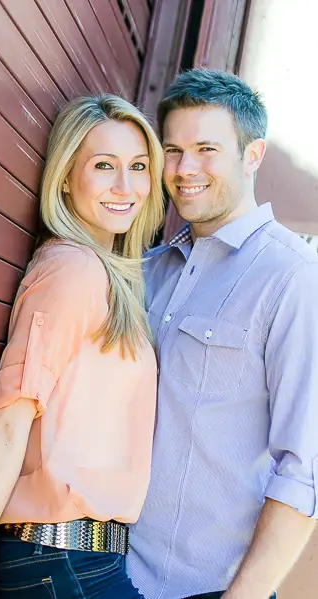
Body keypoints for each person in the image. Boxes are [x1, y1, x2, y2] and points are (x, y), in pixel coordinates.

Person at [0, 94, 165, 599]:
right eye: (104, 165)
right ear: (65, 176)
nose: (125, 186)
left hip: (83, 563)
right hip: (61, 559)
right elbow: (8, 420)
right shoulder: (73, 270)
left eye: (138, 167)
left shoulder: (111, 280)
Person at [128, 68, 318, 599]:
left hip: (212, 589)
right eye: (172, 150)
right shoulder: (147, 271)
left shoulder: (293, 277)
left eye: (206, 149)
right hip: (112, 578)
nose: (185, 169)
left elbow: (304, 471)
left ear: (252, 155)